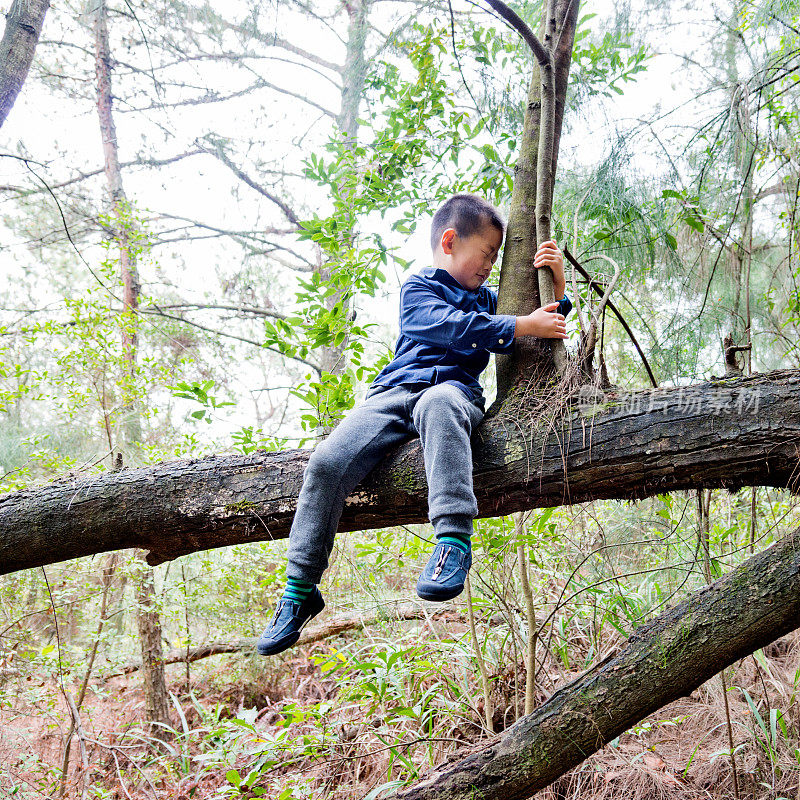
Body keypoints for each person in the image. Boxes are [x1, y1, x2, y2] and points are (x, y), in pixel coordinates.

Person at [257, 193, 571, 656]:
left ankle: (453, 541)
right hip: (392, 395)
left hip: (451, 394)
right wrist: (519, 324)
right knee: (325, 462)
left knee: (440, 404)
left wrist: (557, 284)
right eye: (486, 253)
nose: (491, 265)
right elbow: (449, 327)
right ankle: (300, 590)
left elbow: (548, 324)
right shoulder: (419, 288)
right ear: (450, 241)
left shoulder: (490, 301)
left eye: (496, 257)